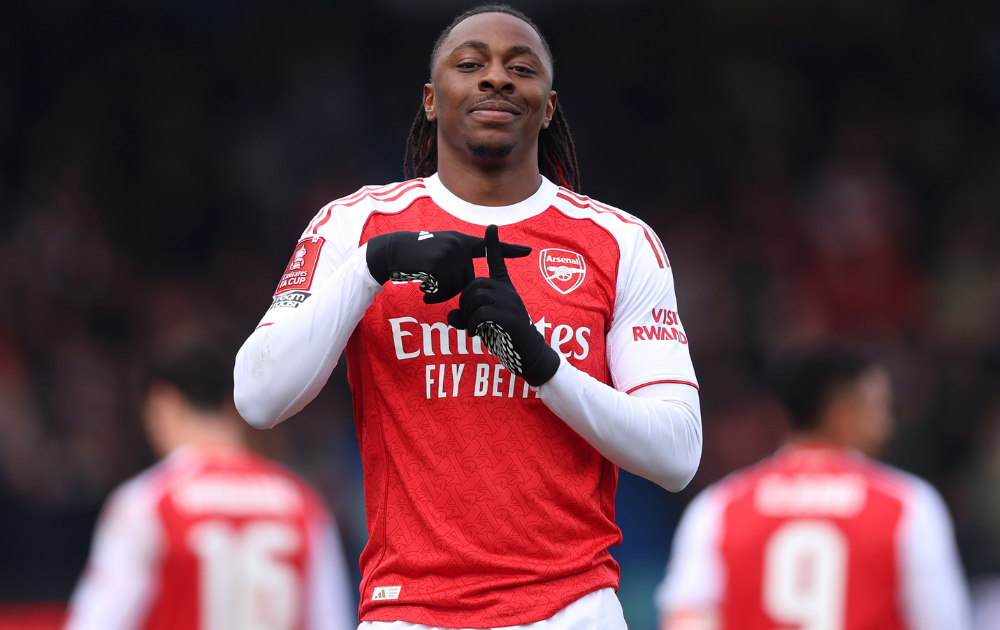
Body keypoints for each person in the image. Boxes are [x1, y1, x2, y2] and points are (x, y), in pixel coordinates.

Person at [234, 4, 701, 629]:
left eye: (521, 68)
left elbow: (677, 454)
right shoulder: (354, 226)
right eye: (471, 64)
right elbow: (258, 398)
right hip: (409, 613)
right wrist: (374, 265)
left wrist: (539, 362)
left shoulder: (619, 241)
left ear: (550, 105)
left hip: (570, 611)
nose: (497, 79)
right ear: (430, 99)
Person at [655, 345, 973, 630]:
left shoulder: (719, 507)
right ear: (844, 416)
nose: (888, 426)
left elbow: (686, 619)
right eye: (878, 410)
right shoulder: (907, 505)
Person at [64, 344, 355, 630]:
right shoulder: (302, 504)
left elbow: (96, 621)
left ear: (164, 403)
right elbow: (332, 621)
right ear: (232, 404)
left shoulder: (149, 502)